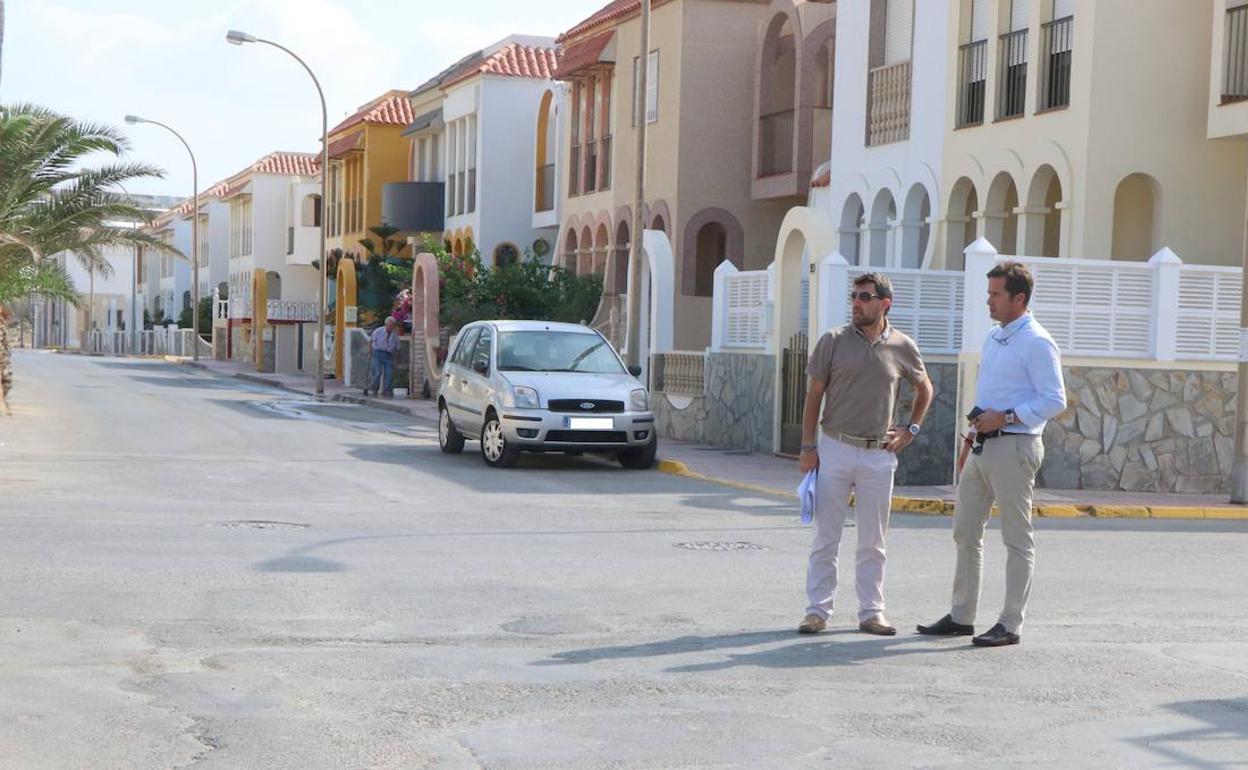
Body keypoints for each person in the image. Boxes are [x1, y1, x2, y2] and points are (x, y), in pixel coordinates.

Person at [918, 261, 1065, 648]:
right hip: (983, 446)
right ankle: (961, 615)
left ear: (1019, 298)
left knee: (1016, 538)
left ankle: (1010, 623)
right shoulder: (994, 337)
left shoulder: (1037, 341)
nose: (989, 301)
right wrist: (970, 439)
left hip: (1016, 445)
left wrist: (1009, 416)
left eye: (996, 294)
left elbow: (1055, 399)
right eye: (989, 293)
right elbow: (989, 395)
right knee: (965, 531)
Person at [797, 273, 933, 636]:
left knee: (873, 540)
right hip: (835, 448)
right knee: (826, 536)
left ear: (885, 303)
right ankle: (817, 611)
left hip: (878, 455)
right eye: (853, 296)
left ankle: (872, 612)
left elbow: (925, 389)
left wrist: (911, 429)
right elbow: (814, 396)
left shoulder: (903, 346)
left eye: (864, 297)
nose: (856, 303)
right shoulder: (833, 341)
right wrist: (808, 447)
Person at [363, 316, 401, 398]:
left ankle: (386, 391)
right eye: (389, 325)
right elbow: (370, 340)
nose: (391, 327)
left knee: (389, 373)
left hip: (388, 355)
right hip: (377, 353)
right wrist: (369, 351)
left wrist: (396, 359)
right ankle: (373, 389)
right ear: (386, 324)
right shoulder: (378, 331)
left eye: (392, 325)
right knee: (377, 372)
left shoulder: (395, 335)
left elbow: (397, 348)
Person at [0, 305, 13, 415]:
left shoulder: (2, 324)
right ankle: (2, 405)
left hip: (2, 359)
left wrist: (7, 353)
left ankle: (3, 401)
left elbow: (6, 341)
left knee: (7, 381)